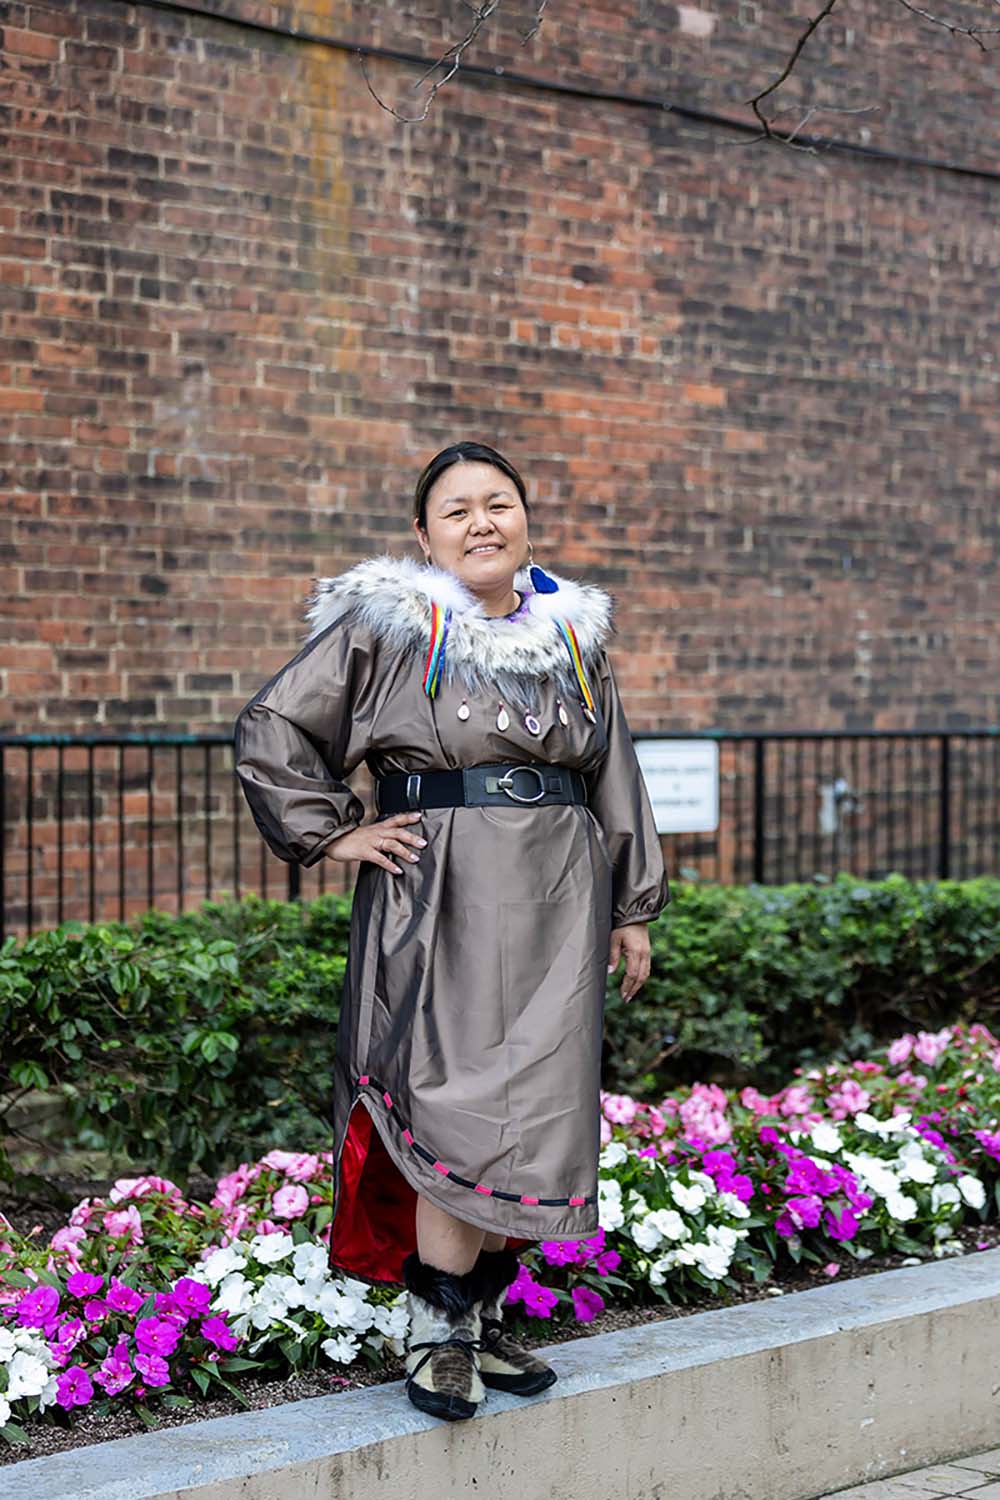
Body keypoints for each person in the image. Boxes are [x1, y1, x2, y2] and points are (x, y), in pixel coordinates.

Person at [233, 440, 670, 1422]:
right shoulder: (387, 629)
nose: (483, 523)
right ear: (424, 536)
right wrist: (335, 833)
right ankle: (435, 1326)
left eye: (499, 504)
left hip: (559, 893)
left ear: (525, 518)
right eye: (458, 510)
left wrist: (633, 906)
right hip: (440, 889)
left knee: (534, 1102)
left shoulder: (573, 639)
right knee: (454, 1096)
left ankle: (469, 1315)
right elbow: (275, 727)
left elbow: (614, 771)